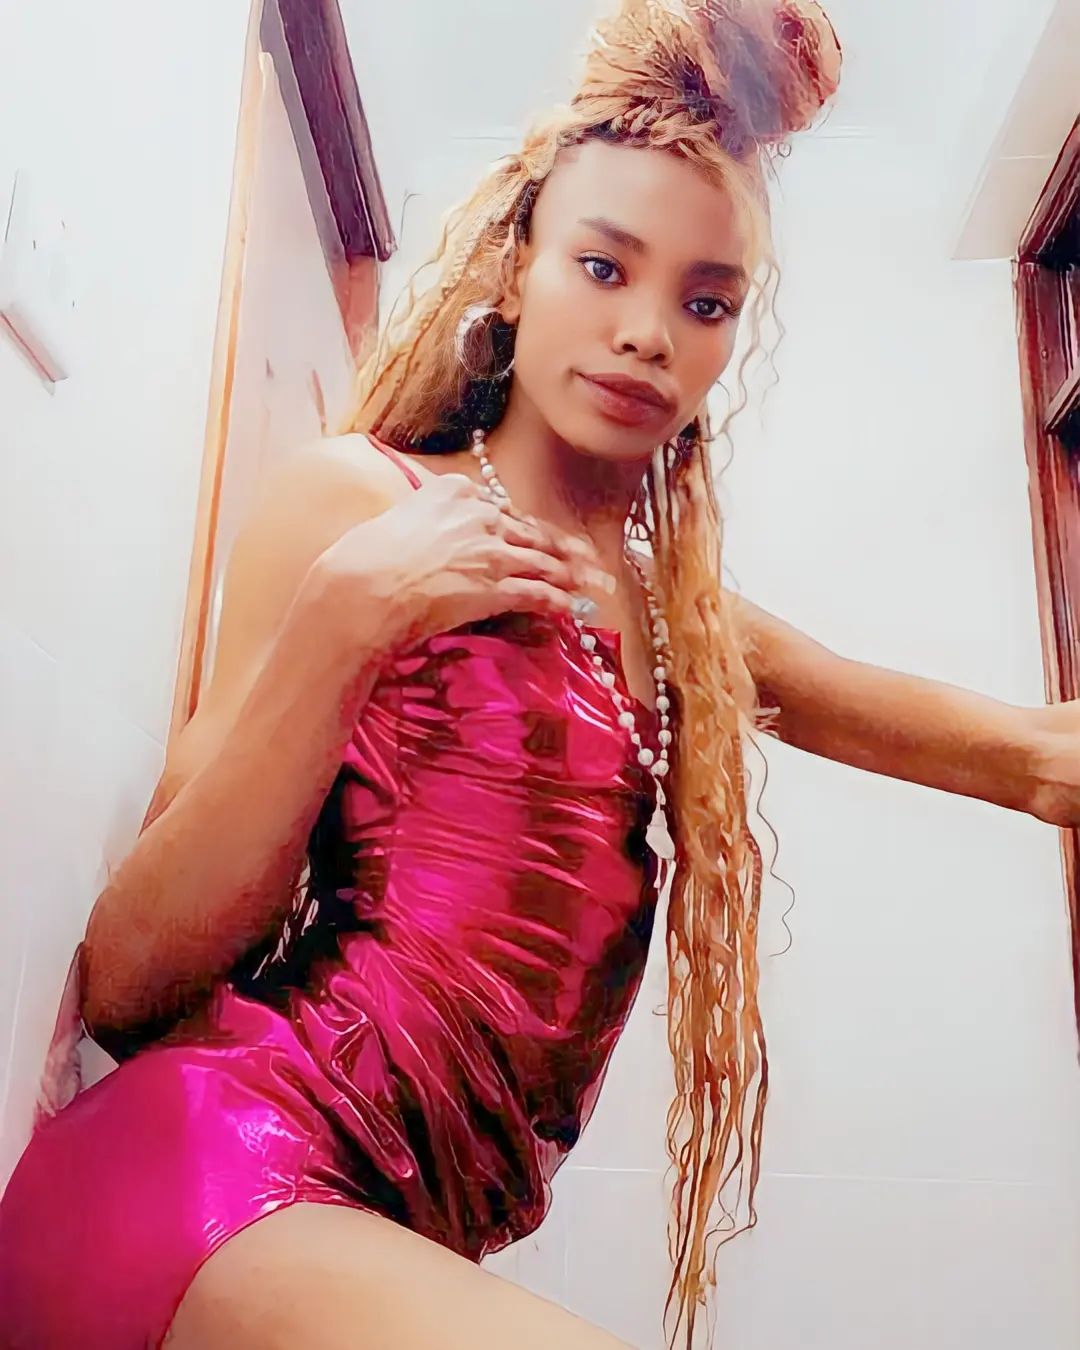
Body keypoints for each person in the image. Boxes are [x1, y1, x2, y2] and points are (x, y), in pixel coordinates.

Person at [1, 2, 1077, 1347]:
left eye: (704, 301)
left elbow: (1038, 759)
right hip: (207, 1182)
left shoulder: (685, 627)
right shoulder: (363, 505)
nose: (648, 332)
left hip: (371, 1246)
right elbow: (124, 982)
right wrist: (345, 618)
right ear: (516, 270)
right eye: (604, 266)